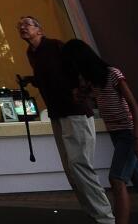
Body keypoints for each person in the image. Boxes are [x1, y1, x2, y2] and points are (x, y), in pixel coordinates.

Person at [61, 40, 138, 224]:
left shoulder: (112, 74)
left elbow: (134, 106)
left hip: (128, 135)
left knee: (116, 179)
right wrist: (81, 94)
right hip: (116, 135)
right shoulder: (93, 83)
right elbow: (92, 102)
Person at [18, 16, 114, 224]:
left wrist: (81, 91)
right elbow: (53, 77)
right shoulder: (31, 53)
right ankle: (94, 215)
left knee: (80, 165)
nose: (22, 27)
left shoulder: (55, 46)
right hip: (57, 114)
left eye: (27, 24)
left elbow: (77, 70)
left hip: (75, 112)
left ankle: (105, 218)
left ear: (39, 29)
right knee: (72, 170)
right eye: (20, 26)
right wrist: (32, 80)